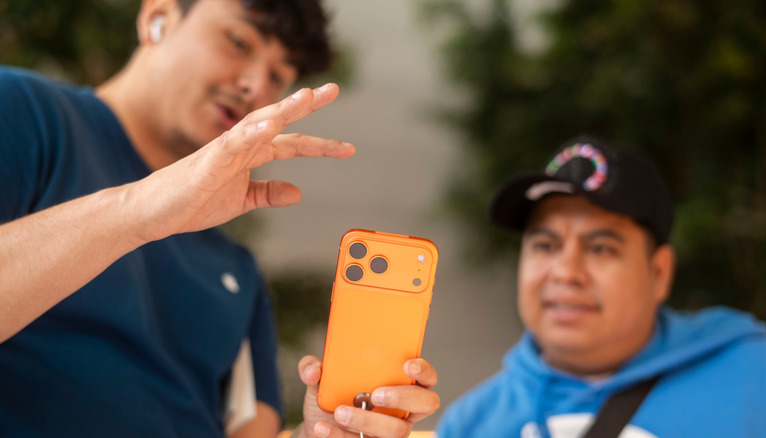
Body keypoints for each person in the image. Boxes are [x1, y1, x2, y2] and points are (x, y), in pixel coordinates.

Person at [0, 0, 439, 437]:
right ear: (159, 18)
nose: (253, 86)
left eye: (278, 77)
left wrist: (321, 432)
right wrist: (139, 210)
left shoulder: (238, 271)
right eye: (238, 42)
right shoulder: (23, 111)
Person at [435, 137, 766, 438]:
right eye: (546, 245)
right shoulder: (470, 425)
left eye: (600, 248)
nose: (566, 273)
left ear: (659, 272)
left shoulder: (762, 379)